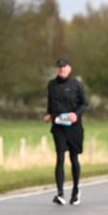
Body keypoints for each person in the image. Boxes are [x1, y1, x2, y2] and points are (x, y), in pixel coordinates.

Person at [44, 58, 88, 205]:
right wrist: (48, 114)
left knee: (74, 158)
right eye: (59, 67)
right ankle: (60, 193)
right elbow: (50, 104)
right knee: (60, 158)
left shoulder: (77, 84)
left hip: (74, 127)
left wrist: (76, 114)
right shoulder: (52, 85)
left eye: (64, 67)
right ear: (56, 69)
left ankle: (75, 191)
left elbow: (85, 103)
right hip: (58, 126)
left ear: (69, 68)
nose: (61, 69)